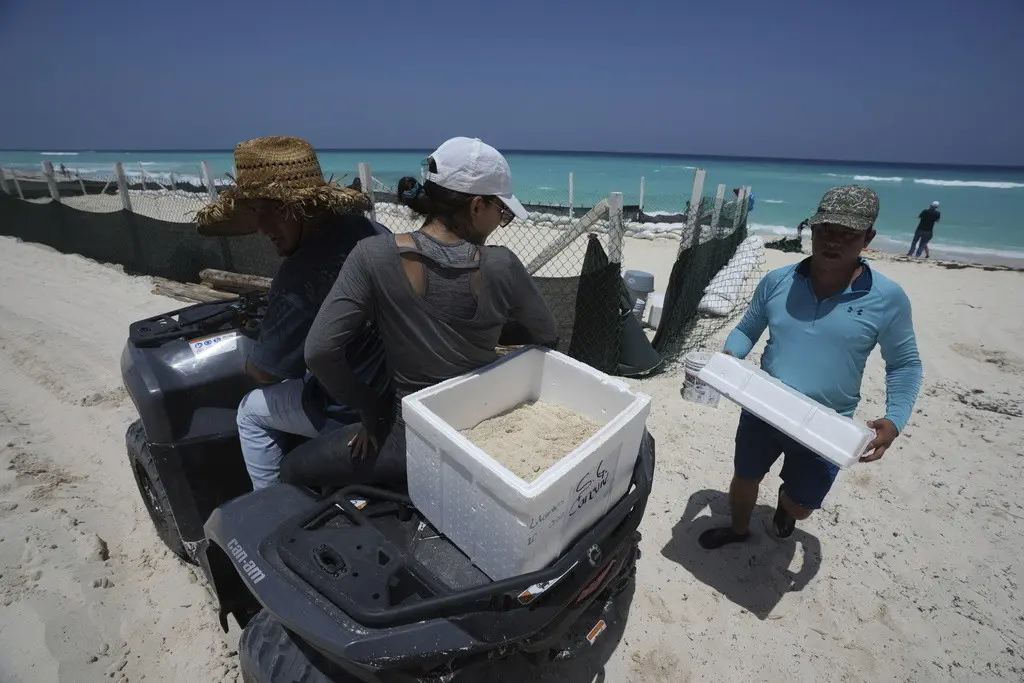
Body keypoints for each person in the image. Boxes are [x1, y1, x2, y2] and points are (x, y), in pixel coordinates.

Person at [280, 137, 559, 489]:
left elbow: (319, 353)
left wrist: (373, 409)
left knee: (291, 469)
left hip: (407, 442)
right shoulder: (502, 265)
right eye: (501, 212)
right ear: (476, 206)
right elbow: (546, 334)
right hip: (481, 436)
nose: (501, 221)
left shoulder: (372, 256)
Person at [698, 185, 923, 550]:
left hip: (827, 420)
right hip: (765, 406)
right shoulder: (778, 281)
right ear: (812, 230)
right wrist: (729, 358)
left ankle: (788, 508)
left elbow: (905, 364)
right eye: (824, 231)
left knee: (803, 506)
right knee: (744, 476)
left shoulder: (888, 298)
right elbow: (747, 329)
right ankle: (738, 530)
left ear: (868, 238)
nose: (832, 242)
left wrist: (895, 418)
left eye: (847, 235)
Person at [193, 136, 389, 490]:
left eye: (273, 210)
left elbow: (264, 372)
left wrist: (257, 354)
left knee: (250, 411)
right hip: (394, 385)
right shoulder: (372, 230)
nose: (262, 228)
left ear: (307, 208)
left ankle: (268, 506)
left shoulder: (300, 275)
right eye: (256, 212)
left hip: (349, 409)